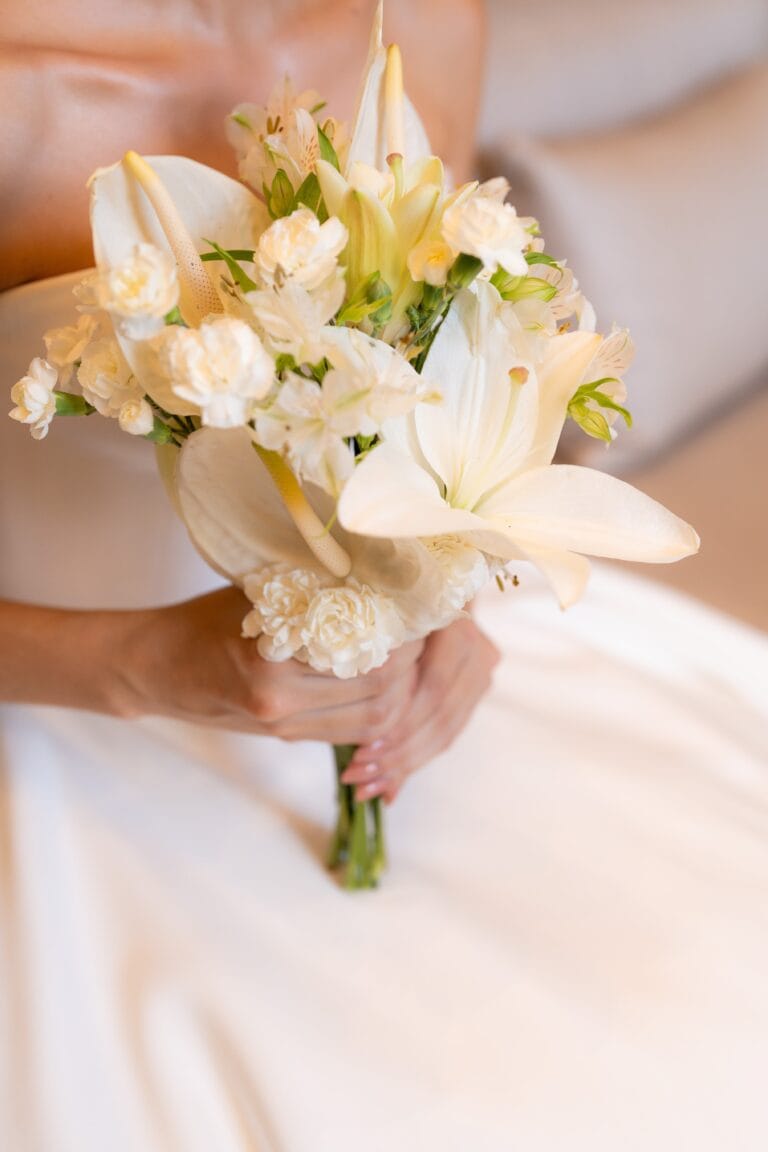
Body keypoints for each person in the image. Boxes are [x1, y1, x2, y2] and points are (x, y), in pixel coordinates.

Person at [2, 3, 768, 1149]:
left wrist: (434, 594)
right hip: (56, 725)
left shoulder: (422, 19)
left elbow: (436, 387)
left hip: (354, 702)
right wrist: (142, 666)